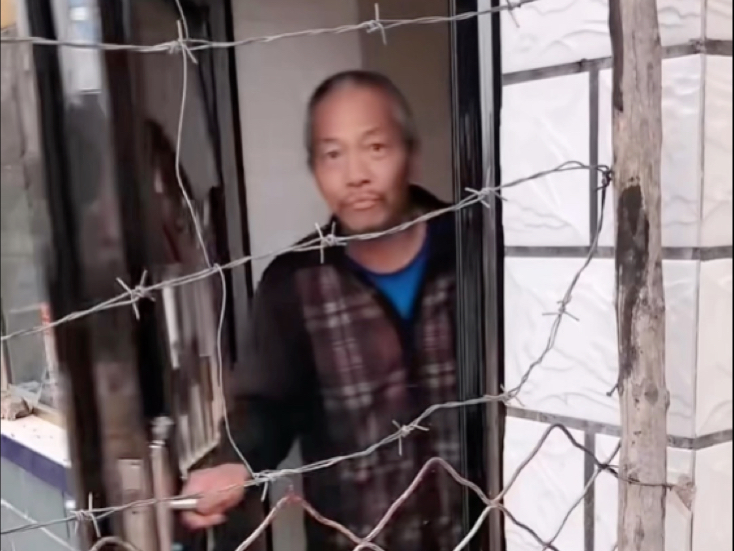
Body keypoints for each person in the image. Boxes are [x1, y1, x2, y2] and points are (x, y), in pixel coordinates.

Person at [181, 70, 463, 551]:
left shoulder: (470, 251)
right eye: (333, 154)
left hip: (480, 532)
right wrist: (235, 463)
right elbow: (266, 408)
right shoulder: (295, 283)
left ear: (410, 153)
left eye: (375, 147)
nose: (356, 175)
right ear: (314, 169)